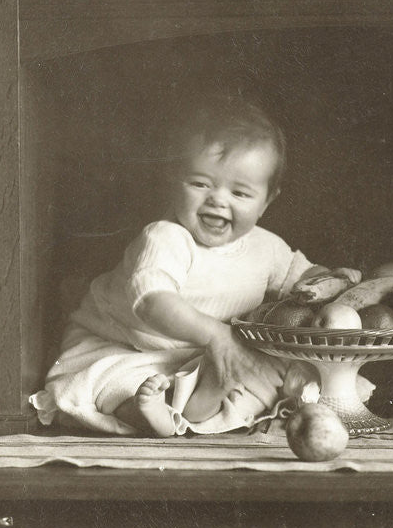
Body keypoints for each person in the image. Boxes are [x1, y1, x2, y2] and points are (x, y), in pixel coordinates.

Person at [30, 96, 361, 436]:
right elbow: (152, 302)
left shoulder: (267, 247)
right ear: (174, 180)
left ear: (267, 201)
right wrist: (217, 335)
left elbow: (301, 277)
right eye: (200, 183)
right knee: (112, 385)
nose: (218, 199)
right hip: (121, 346)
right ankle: (145, 413)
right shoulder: (166, 237)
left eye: (241, 193)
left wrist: (330, 279)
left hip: (199, 357)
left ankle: (198, 404)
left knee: (259, 372)